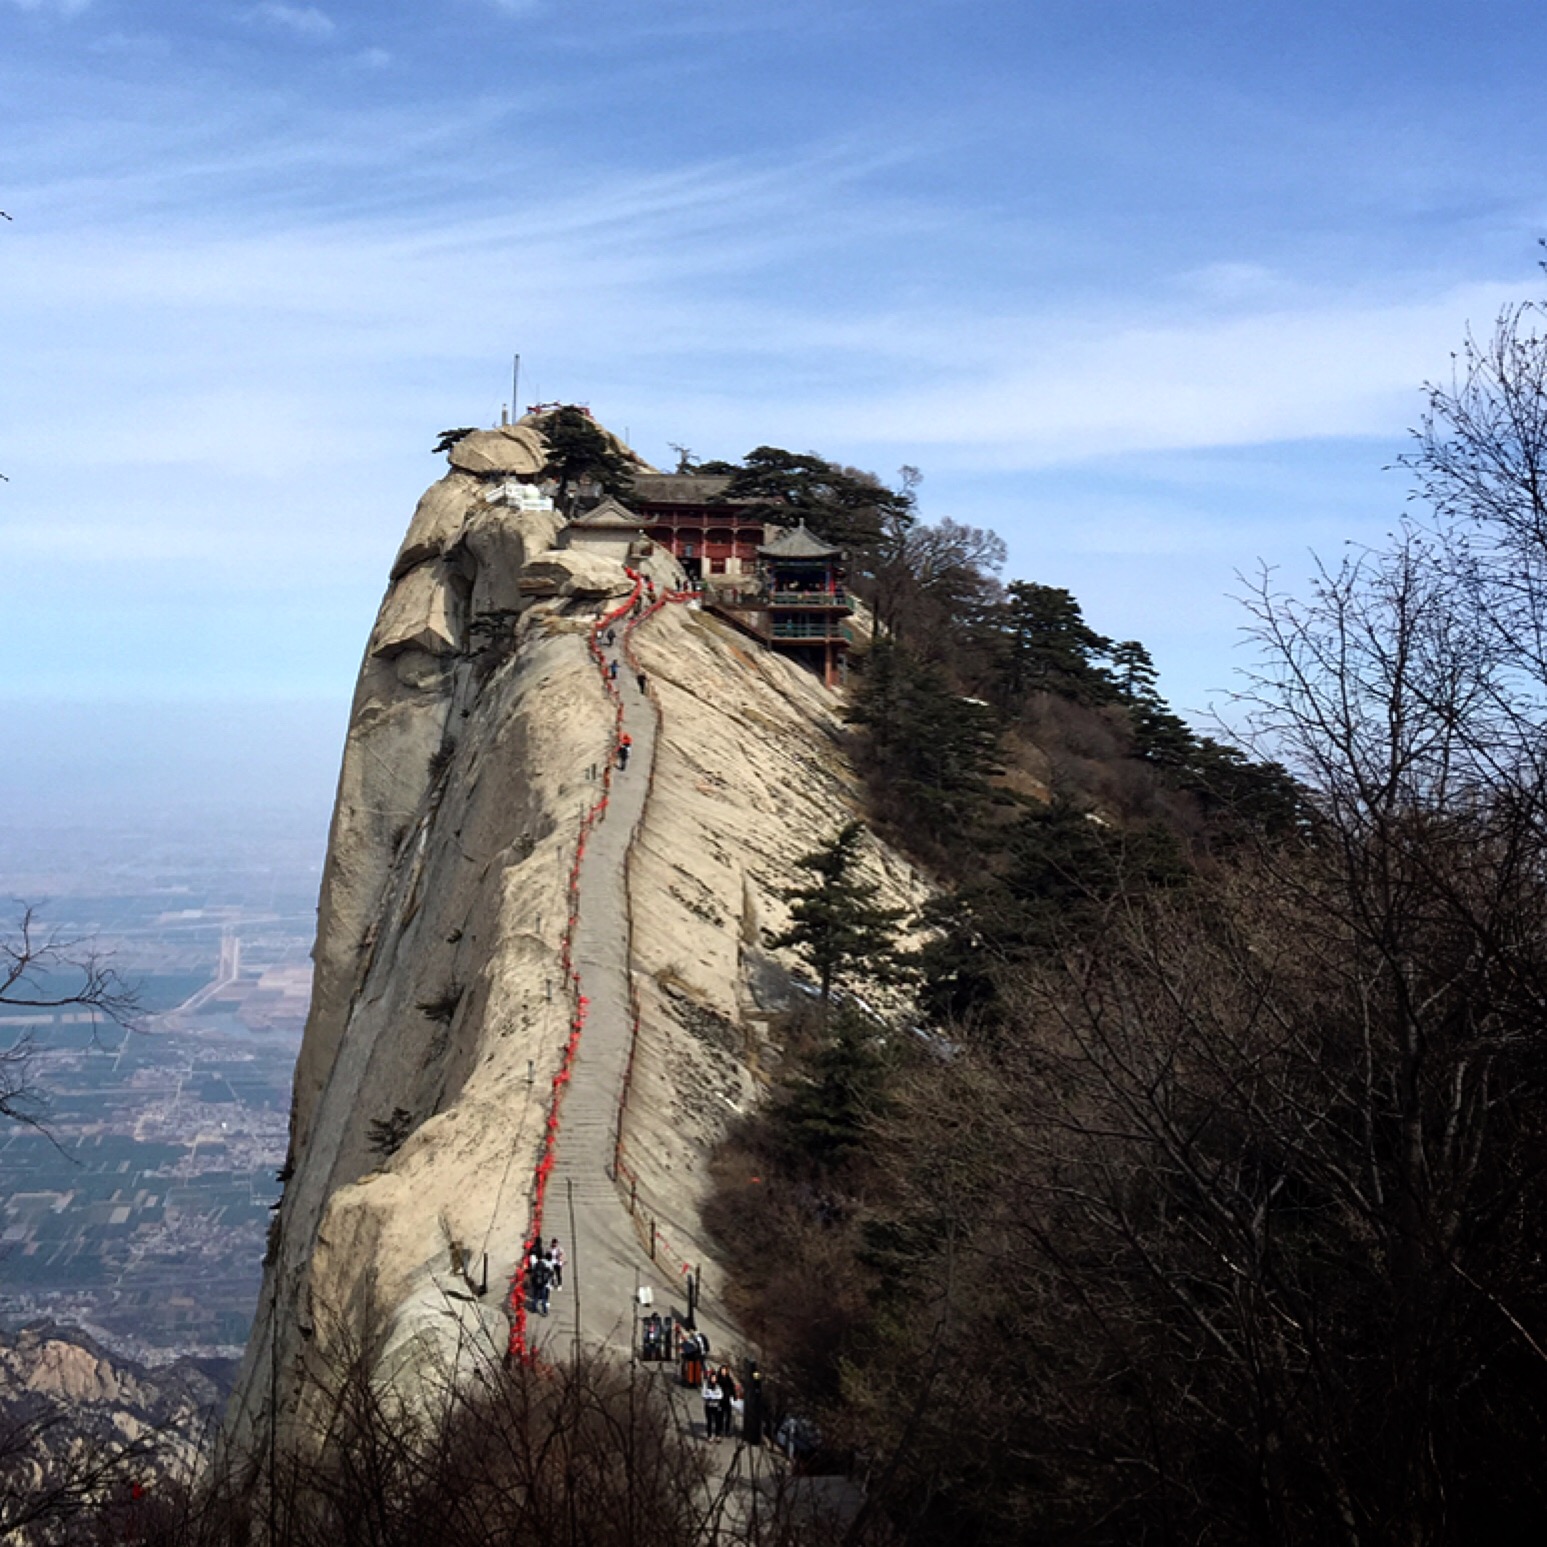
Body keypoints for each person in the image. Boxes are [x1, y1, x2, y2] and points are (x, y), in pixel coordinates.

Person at [702, 1369, 724, 1443]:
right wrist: (710, 1396)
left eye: (715, 1378)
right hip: (709, 1405)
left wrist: (714, 1396)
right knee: (709, 1421)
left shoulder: (718, 1386)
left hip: (716, 1405)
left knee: (717, 1421)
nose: (713, 1379)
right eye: (712, 1378)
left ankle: (717, 1435)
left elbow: (720, 1395)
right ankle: (709, 1436)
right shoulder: (706, 1385)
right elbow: (704, 1394)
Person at [528, 1251, 551, 1317]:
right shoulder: (543, 1265)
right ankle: (544, 1311)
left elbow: (532, 1272)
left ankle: (534, 1308)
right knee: (543, 1298)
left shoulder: (535, 1265)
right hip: (542, 1284)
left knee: (535, 1297)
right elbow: (549, 1271)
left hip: (535, 1284)